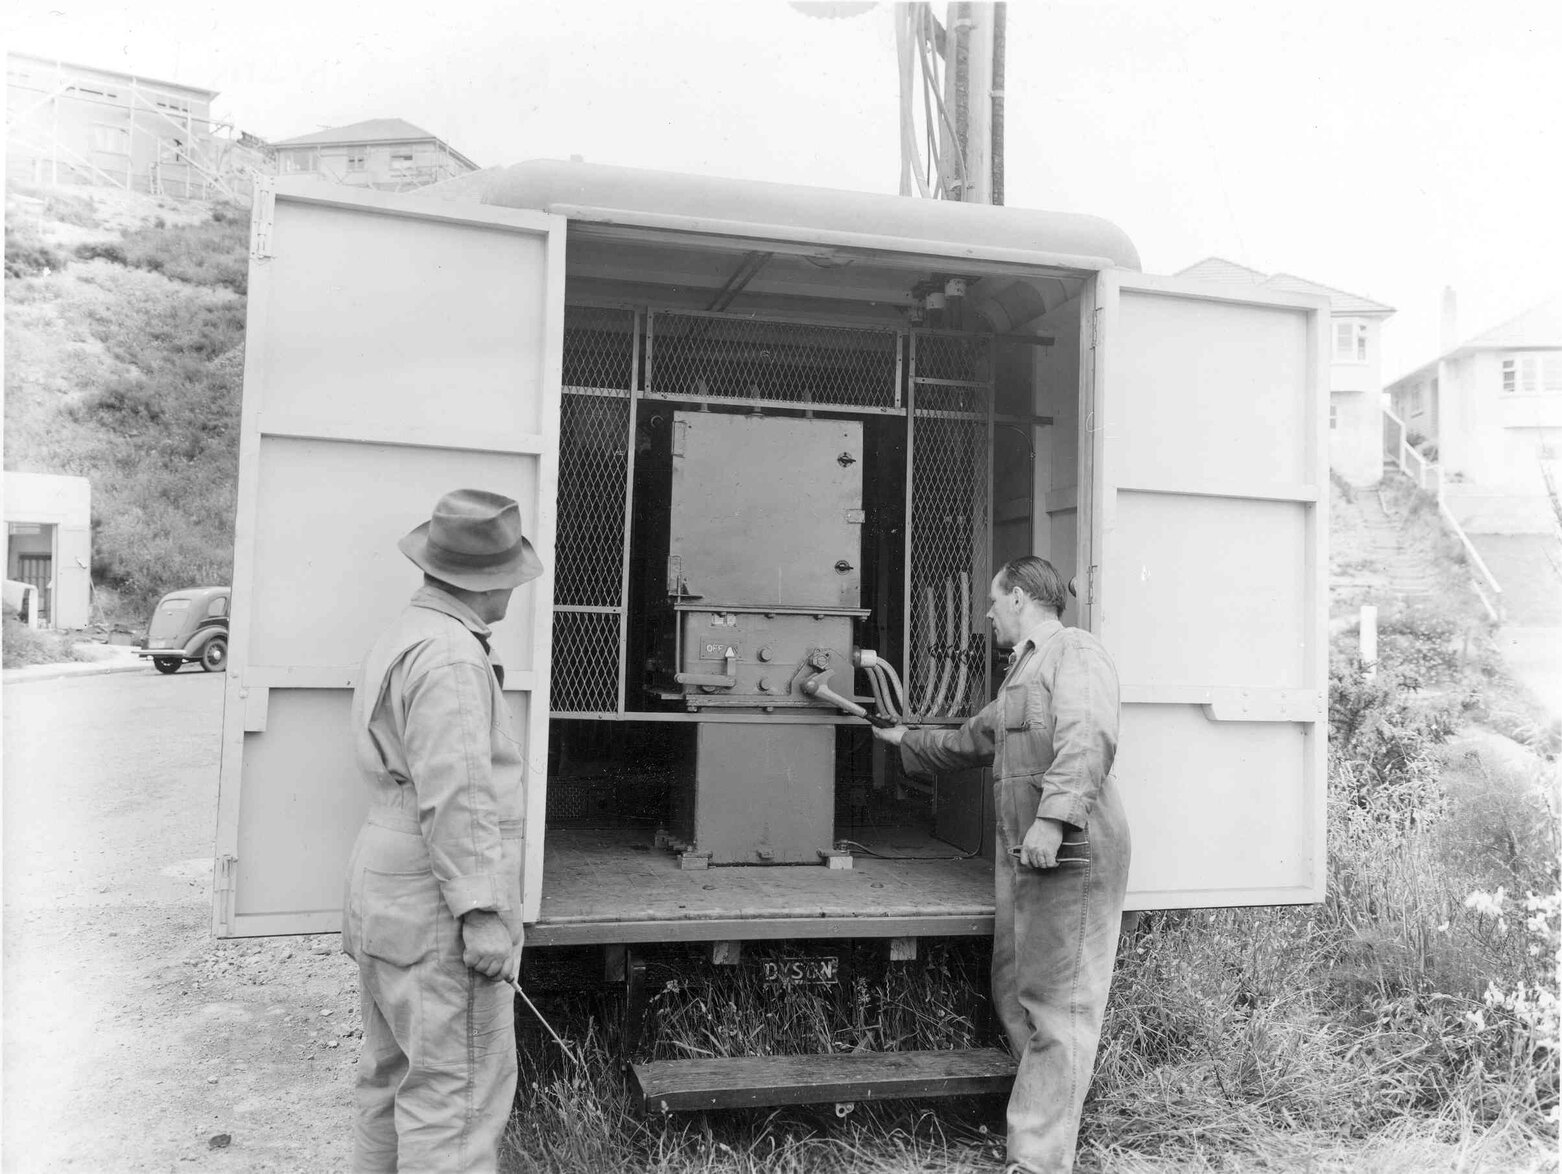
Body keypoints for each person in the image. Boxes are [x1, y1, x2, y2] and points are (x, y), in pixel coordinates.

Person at [873, 555, 1130, 1174]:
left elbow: (1088, 734)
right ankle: (1046, 1124)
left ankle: (1037, 1161)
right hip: (1031, 854)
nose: (987, 614)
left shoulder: (1076, 651)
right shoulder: (1023, 672)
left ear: (1019, 596)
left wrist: (1053, 818)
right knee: (1015, 991)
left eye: (993, 601)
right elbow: (973, 738)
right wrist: (904, 739)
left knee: (1058, 1004)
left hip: (1072, 847)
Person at [342, 488, 543, 1174]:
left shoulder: (404, 634)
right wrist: (483, 912)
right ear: (492, 583)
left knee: (388, 1079)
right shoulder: (453, 654)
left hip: (386, 877)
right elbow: (457, 794)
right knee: (454, 1102)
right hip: (436, 895)